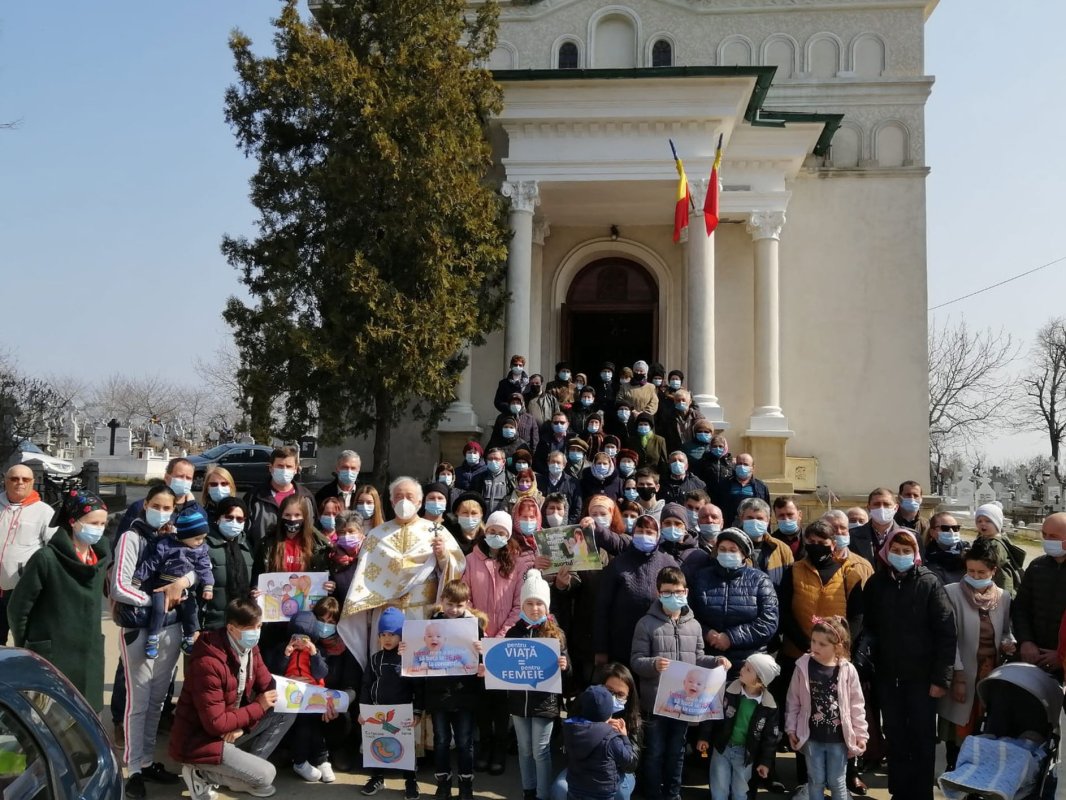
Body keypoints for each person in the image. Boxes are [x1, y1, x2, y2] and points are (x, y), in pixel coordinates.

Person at [112, 482, 197, 799]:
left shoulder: (175, 537)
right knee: (138, 701)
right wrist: (157, 599)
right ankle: (133, 768)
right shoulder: (130, 538)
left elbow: (197, 567)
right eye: (157, 506)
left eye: (168, 508)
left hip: (172, 629)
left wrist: (182, 583)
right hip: (140, 628)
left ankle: (147, 761)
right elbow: (120, 587)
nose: (162, 512)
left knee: (158, 701)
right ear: (145, 504)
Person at [862, 527, 956, 800]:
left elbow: (946, 633)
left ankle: (921, 793)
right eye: (896, 550)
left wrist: (941, 679)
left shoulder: (929, 583)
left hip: (922, 679)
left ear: (916, 553)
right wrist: (866, 667)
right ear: (886, 552)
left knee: (922, 737)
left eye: (906, 551)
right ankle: (899, 792)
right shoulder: (877, 583)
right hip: (888, 677)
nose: (900, 555)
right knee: (895, 735)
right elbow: (869, 628)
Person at [170, 597, 295, 800]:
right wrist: (258, 707)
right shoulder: (208, 663)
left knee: (285, 711)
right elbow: (216, 724)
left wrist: (243, 727)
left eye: (259, 626)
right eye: (250, 628)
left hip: (230, 726)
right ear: (231, 628)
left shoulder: (250, 648)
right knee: (266, 775)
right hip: (201, 740)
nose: (256, 632)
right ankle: (200, 772)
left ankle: (241, 771)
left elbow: (268, 687)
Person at [338, 477, 466, 669]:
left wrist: (443, 556)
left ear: (419, 502)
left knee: (421, 666)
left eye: (409, 496)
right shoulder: (376, 535)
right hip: (387, 614)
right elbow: (363, 579)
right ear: (391, 502)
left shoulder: (436, 531)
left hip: (422, 613)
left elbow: (455, 570)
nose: (404, 501)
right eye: (399, 496)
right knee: (387, 669)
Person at [630, 566, 728, 800]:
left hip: (684, 705)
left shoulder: (694, 625)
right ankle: (653, 793)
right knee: (654, 752)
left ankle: (673, 794)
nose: (674, 596)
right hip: (655, 703)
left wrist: (716, 660)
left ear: (686, 592)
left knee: (678, 751)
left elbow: (698, 658)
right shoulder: (646, 624)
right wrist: (653, 664)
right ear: (658, 593)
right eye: (667, 592)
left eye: (678, 591)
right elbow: (636, 660)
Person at [7, 487, 110, 709]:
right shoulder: (46, 559)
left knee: (86, 723)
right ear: (73, 521)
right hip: (52, 656)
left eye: (103, 524)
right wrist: (28, 645)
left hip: (89, 658)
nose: (99, 529)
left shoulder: (99, 559)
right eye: (93, 522)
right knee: (48, 723)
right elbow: (17, 609)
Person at [938, 540, 1015, 772]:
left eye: (981, 572)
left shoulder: (1003, 597)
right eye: (971, 571)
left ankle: (976, 775)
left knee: (983, 728)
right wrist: (959, 677)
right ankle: (955, 770)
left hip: (989, 674)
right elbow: (949, 639)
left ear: (993, 571)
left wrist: (1007, 643)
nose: (975, 575)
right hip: (962, 671)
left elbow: (1005, 631)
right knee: (958, 728)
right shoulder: (951, 593)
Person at [785, 616, 867, 800]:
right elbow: (793, 701)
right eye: (813, 641)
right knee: (815, 780)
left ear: (837, 647)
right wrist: (791, 729)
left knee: (837, 782)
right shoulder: (802, 667)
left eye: (822, 644)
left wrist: (861, 734)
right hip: (812, 738)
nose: (815, 647)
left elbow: (857, 705)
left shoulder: (847, 670)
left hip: (838, 739)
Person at [507, 570, 570, 800]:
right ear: (522, 606)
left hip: (544, 702)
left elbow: (567, 671)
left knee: (541, 751)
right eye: (530, 603)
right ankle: (529, 791)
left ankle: (543, 795)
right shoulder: (513, 633)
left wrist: (565, 665)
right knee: (524, 749)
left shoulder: (556, 634)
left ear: (547, 606)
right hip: (518, 703)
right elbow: (504, 666)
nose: (535, 608)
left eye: (539, 604)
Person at [423, 580, 485, 800]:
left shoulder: (475, 626)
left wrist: (482, 651)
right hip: (438, 693)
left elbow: (484, 662)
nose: (454, 610)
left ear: (467, 603)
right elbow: (419, 651)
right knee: (441, 739)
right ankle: (443, 784)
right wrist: (406, 648)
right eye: (449, 604)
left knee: (464, 740)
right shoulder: (431, 623)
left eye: (459, 605)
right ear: (442, 601)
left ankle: (466, 785)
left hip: (465, 693)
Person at [688, 528, 779, 672]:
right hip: (711, 661)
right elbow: (690, 614)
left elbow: (768, 622)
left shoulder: (760, 580)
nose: (726, 554)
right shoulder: (701, 578)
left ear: (743, 553)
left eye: (733, 550)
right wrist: (706, 633)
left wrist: (731, 637)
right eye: (722, 549)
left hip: (749, 665)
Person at [593, 515, 679, 667]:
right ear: (632, 534)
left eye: (649, 532)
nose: (644, 536)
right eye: (640, 531)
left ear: (658, 535)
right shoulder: (617, 564)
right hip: (622, 647)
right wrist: (601, 648)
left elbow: (681, 605)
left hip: (659, 649)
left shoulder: (668, 563)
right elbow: (601, 608)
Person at [134, 503, 215, 657]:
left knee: (191, 610)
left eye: (203, 538)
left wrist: (208, 586)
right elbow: (152, 563)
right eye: (197, 538)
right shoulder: (167, 545)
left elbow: (205, 568)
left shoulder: (201, 550)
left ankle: (189, 637)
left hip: (185, 588)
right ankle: (152, 637)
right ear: (184, 535)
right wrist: (138, 578)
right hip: (162, 585)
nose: (200, 541)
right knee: (159, 609)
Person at [551, 663, 641, 800]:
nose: (613, 698)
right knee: (560, 788)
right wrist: (596, 729)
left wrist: (623, 737)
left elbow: (631, 764)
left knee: (620, 792)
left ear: (628, 697)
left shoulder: (632, 719)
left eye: (620, 694)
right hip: (583, 769)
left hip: (618, 771)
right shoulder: (585, 705)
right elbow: (569, 746)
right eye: (609, 691)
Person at [696, 653, 780, 800]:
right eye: (744, 666)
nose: (742, 669)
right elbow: (711, 713)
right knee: (719, 788)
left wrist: (765, 763)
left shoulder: (769, 706)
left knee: (741, 791)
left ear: (759, 681)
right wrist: (704, 737)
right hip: (722, 747)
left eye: (748, 669)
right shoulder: (727, 690)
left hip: (746, 754)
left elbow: (770, 739)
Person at [360, 607, 422, 798]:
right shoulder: (375, 659)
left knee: (405, 748)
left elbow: (418, 686)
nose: (387, 639)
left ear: (401, 635)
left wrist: (418, 711)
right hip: (378, 713)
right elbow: (366, 685)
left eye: (393, 635)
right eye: (383, 634)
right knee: (377, 745)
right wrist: (363, 710)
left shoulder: (409, 658)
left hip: (403, 713)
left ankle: (411, 781)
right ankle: (377, 777)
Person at [267, 611, 333, 783]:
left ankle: (322, 760)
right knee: (304, 725)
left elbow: (321, 672)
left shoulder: (318, 652)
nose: (299, 642)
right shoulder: (282, 649)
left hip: (313, 695)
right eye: (296, 637)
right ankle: (300, 761)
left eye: (305, 639)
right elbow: (274, 672)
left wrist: (314, 654)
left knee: (316, 724)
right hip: (291, 696)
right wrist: (286, 655)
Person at [0, 464, 55, 644]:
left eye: (25, 479)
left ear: (33, 482)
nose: (20, 483)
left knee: (23, 641)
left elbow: (53, 549)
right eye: (14, 479)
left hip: (22, 589)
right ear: (5, 481)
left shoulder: (44, 512)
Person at [1013, 511, 1066, 676]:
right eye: (1045, 535)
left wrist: (1062, 656)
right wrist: (1026, 641)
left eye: (1054, 536)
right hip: (1033, 657)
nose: (1048, 540)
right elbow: (1021, 607)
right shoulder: (1037, 566)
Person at [244, 446, 315, 550]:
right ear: (271, 468)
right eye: (280, 466)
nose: (284, 470)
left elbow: (312, 530)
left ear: (296, 469)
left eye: (289, 466)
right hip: (262, 560)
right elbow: (245, 534)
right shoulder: (255, 497)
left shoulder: (306, 497)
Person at [201, 497, 255, 633]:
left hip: (241, 625)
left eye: (239, 519)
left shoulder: (248, 546)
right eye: (229, 517)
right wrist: (195, 627)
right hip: (211, 625)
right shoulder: (204, 545)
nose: (234, 522)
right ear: (218, 518)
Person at [118, 456, 198, 534]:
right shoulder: (139, 507)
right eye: (179, 476)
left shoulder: (197, 511)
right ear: (166, 477)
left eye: (188, 478)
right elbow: (122, 541)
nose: (184, 481)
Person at [736, 498, 793, 587]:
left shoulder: (782, 549)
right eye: (750, 518)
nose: (755, 522)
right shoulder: (729, 546)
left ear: (768, 520)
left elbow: (789, 584)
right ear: (741, 518)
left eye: (760, 518)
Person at [973, 502, 1025, 595]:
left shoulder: (996, 543)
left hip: (1000, 584)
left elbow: (991, 561)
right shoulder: (983, 539)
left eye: (988, 521)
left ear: (997, 523)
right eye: (979, 521)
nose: (982, 524)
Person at [712, 453, 769, 528]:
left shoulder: (761, 487)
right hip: (729, 526)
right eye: (739, 464)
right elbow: (716, 506)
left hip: (753, 526)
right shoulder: (724, 485)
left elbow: (767, 511)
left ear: (753, 468)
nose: (742, 467)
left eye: (745, 464)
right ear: (735, 466)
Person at [847, 488, 898, 565]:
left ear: (896, 508)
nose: (881, 508)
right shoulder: (851, 536)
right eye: (876, 504)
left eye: (886, 504)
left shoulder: (910, 536)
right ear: (868, 508)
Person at [923, 511, 969, 585]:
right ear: (932, 532)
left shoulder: (969, 554)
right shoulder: (926, 557)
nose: (951, 532)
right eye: (945, 528)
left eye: (955, 528)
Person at [537, 451, 582, 524]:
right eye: (553, 462)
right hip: (543, 527)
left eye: (558, 462)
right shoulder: (539, 481)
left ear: (564, 465)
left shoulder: (573, 483)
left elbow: (577, 508)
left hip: (565, 526)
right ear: (548, 463)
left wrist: (567, 525)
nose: (555, 464)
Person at [659, 388, 703, 454]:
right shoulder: (668, 418)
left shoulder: (698, 417)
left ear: (690, 401)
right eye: (678, 400)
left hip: (694, 452)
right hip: (676, 453)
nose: (681, 402)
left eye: (683, 400)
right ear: (674, 402)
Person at [771, 496, 805, 561]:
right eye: (781, 515)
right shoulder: (770, 542)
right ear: (775, 517)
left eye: (790, 514)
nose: (786, 519)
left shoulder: (811, 539)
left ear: (799, 515)